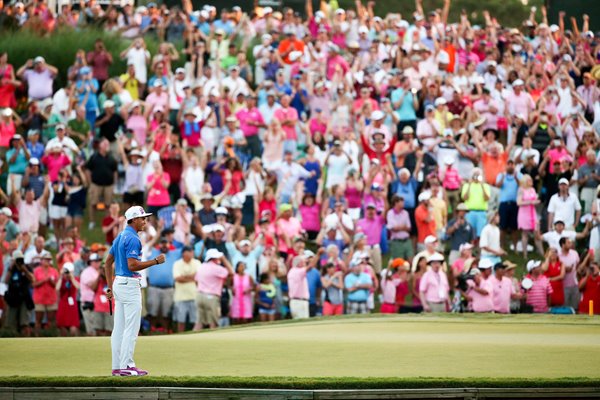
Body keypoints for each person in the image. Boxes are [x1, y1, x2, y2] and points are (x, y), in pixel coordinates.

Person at [104, 206, 167, 376]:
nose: (145, 221)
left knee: (119, 329)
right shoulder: (133, 238)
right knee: (131, 328)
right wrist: (155, 261)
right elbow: (132, 265)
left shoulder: (120, 237)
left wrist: (110, 287)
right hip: (130, 285)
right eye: (142, 218)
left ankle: (117, 367)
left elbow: (107, 263)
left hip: (119, 284)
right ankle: (127, 366)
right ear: (133, 220)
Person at [194, 248, 233, 330]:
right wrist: (224, 259)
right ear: (215, 258)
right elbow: (231, 272)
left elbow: (196, 281)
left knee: (199, 323)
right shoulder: (217, 268)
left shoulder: (201, 267)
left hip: (199, 296)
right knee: (213, 324)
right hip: (211, 298)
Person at [172, 245, 201, 332]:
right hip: (180, 297)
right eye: (190, 251)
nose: (192, 253)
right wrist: (192, 277)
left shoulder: (197, 262)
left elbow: (198, 277)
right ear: (184, 253)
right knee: (181, 321)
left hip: (194, 295)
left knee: (196, 321)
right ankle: (179, 339)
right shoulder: (177, 263)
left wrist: (184, 277)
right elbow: (177, 278)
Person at [55, 262, 80, 336]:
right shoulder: (61, 280)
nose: (67, 274)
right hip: (63, 303)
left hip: (72, 305)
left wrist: (71, 277)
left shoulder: (75, 279)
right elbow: (57, 288)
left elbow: (78, 287)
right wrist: (61, 276)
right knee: (62, 325)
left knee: (73, 327)